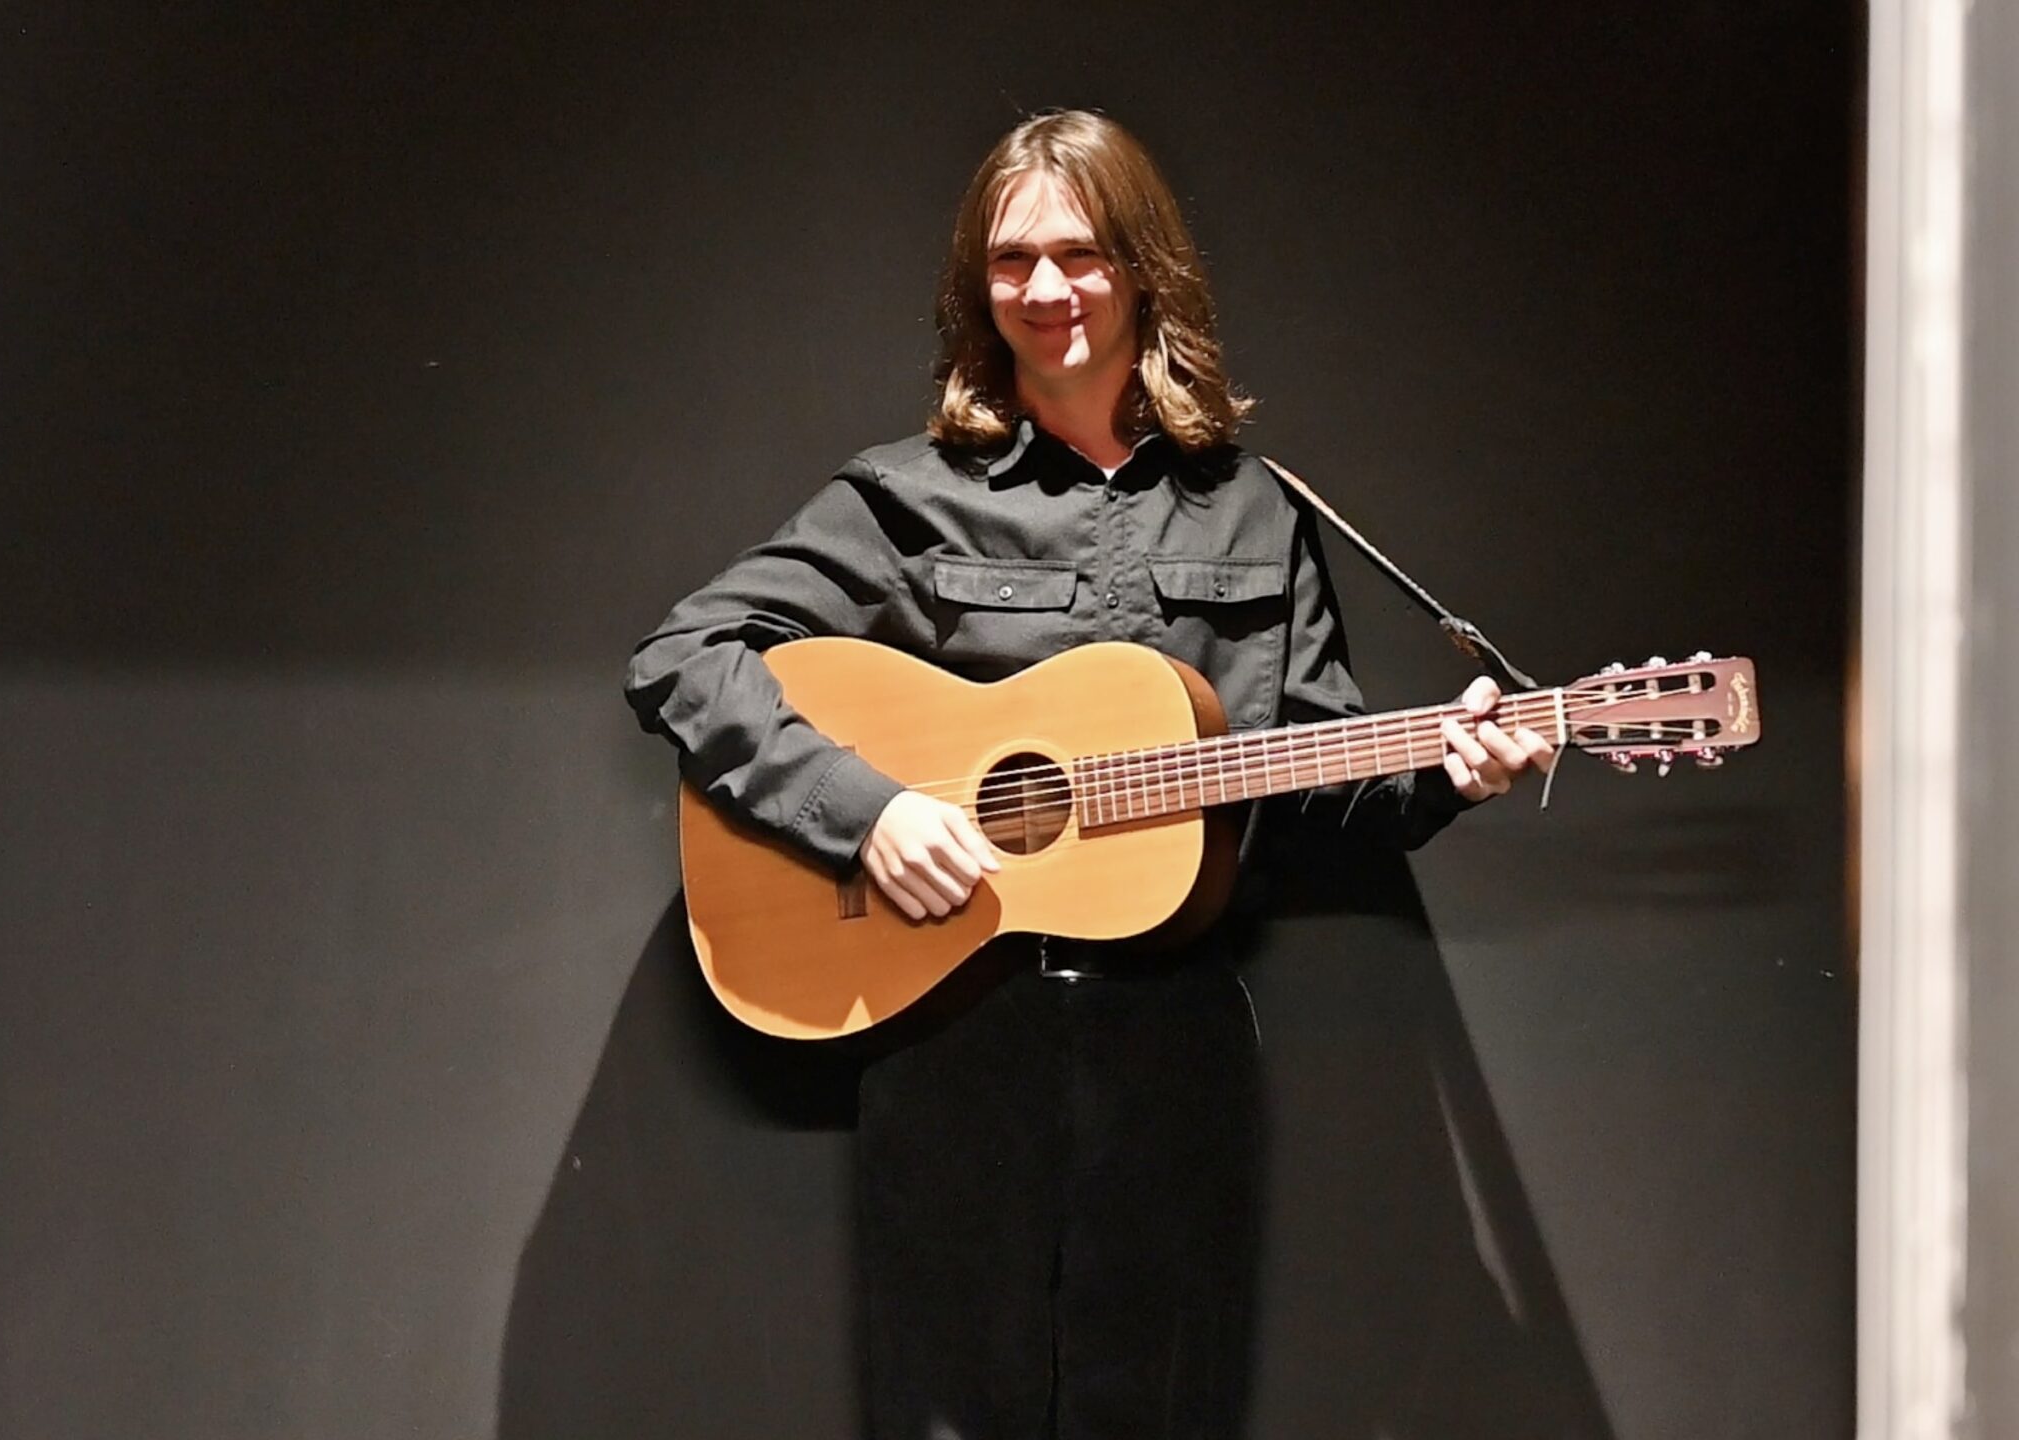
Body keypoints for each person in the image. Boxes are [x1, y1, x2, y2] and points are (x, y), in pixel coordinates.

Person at [623, 109, 1554, 1440]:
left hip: (1174, 1039)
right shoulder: (908, 497)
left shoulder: (1257, 510)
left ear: (1144, 271)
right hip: (955, 1032)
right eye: (1011, 261)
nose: (1045, 291)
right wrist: (867, 810)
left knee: (1164, 1411)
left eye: (1080, 255)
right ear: (976, 284)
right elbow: (683, 654)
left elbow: (1310, 777)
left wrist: (1452, 772)